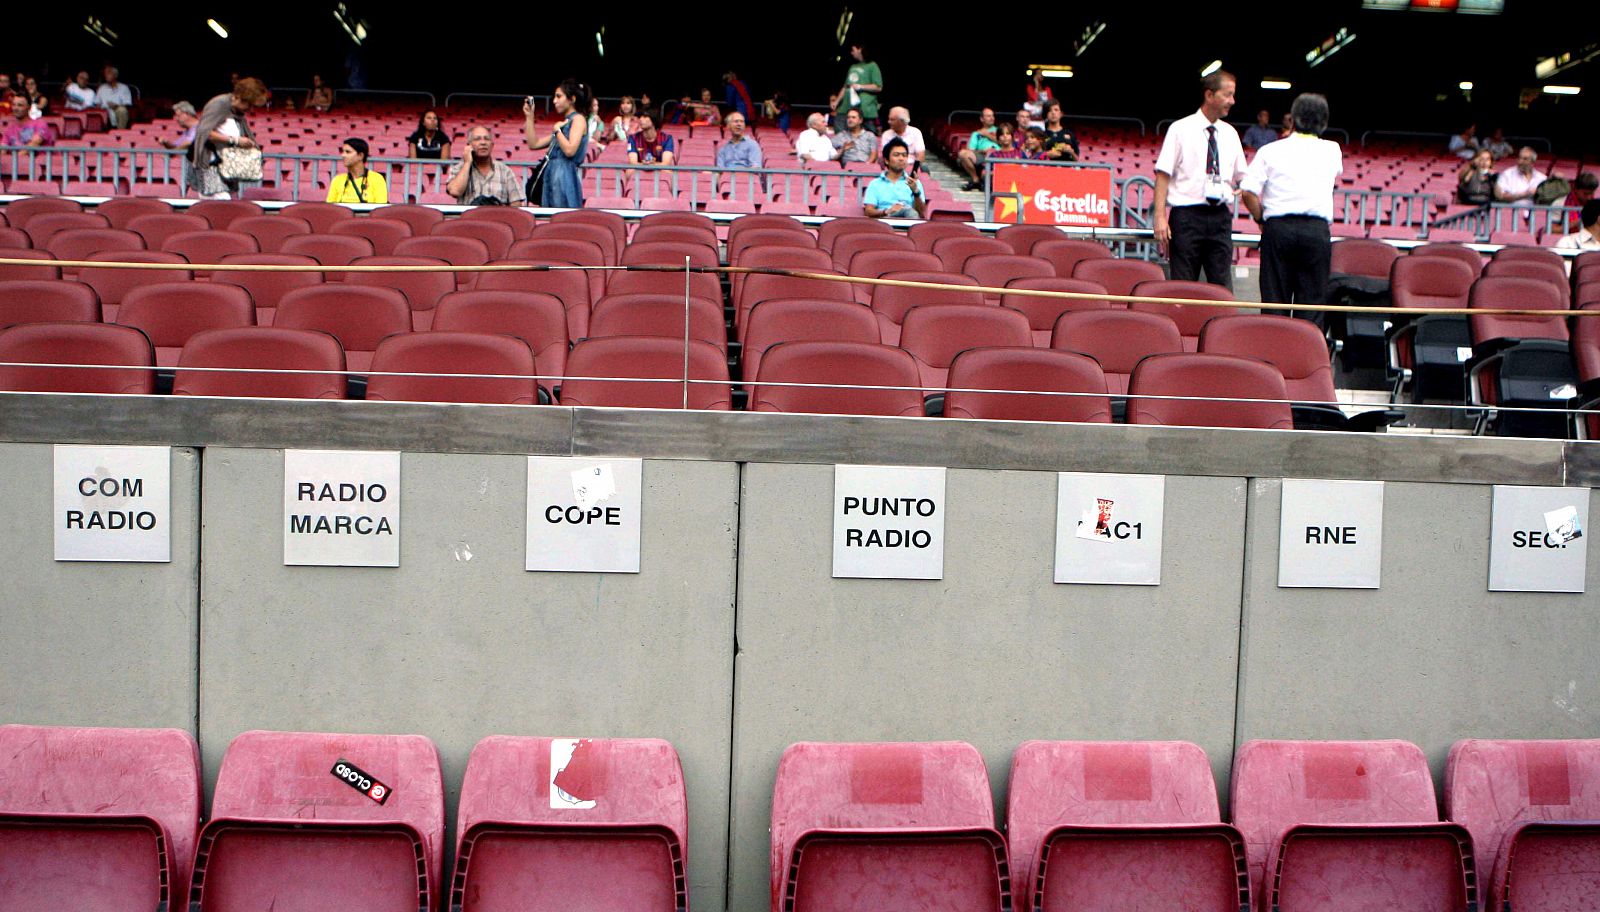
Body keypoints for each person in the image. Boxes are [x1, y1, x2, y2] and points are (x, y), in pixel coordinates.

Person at [1240, 93, 1342, 325]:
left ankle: (1273, 358)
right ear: (1324, 121)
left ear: (1293, 119)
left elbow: (1247, 192)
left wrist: (1261, 219)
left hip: (1278, 230)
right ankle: (1306, 359)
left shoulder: (1270, 150)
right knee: (1312, 305)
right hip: (1315, 232)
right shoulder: (1333, 150)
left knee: (1275, 303)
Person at [1152, 69, 1248, 290]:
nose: (1232, 101)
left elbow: (1243, 176)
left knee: (1222, 286)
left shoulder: (1231, 134)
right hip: (1187, 217)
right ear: (1209, 95)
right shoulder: (1180, 129)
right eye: (1227, 94)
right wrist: (1159, 216)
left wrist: (1244, 188)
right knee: (1183, 285)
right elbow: (1163, 174)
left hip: (1220, 217)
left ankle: (1220, 325)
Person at [191, 77, 267, 200]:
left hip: (224, 168)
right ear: (238, 97)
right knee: (223, 204)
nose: (251, 109)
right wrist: (236, 140)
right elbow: (204, 133)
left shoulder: (236, 111)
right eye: (249, 105)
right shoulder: (219, 104)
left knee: (221, 207)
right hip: (209, 167)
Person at [524, 78, 589, 208]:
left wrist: (557, 131)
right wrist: (529, 116)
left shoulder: (578, 119)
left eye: (559, 96)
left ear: (572, 99)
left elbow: (570, 150)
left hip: (564, 178)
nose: (554, 101)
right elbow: (534, 144)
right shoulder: (564, 123)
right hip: (552, 176)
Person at [446, 126, 526, 206]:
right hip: (470, 217)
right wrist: (467, 163)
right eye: (477, 139)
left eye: (486, 139)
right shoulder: (459, 168)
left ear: (492, 145)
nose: (483, 143)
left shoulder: (505, 170)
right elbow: (455, 191)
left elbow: (516, 203)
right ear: (469, 145)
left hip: (498, 217)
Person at [862, 137, 926, 219]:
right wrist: (886, 211)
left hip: (909, 221)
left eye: (904, 155)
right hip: (884, 221)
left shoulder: (914, 183)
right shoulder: (875, 184)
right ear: (886, 160)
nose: (901, 158)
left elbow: (921, 214)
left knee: (910, 212)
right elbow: (868, 211)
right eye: (896, 155)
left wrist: (915, 192)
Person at [834, 43, 882, 132]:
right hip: (847, 106)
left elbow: (878, 87)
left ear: (860, 49)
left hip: (865, 108)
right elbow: (845, 86)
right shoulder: (853, 67)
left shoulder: (872, 65)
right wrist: (837, 101)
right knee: (840, 130)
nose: (852, 53)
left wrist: (860, 86)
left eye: (853, 50)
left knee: (868, 133)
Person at [326, 138, 388, 204]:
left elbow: (380, 209)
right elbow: (330, 208)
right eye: (343, 151)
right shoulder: (337, 180)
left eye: (348, 152)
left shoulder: (377, 179)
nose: (343, 155)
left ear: (360, 156)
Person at [957, 108, 1000, 190]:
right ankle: (975, 179)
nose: (992, 118)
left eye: (993, 116)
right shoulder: (976, 133)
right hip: (982, 155)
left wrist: (987, 135)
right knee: (963, 153)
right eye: (988, 116)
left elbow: (1004, 142)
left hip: (998, 155)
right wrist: (983, 151)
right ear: (982, 119)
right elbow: (970, 149)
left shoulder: (999, 130)